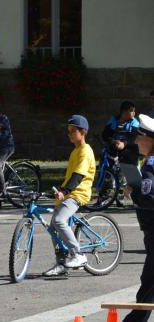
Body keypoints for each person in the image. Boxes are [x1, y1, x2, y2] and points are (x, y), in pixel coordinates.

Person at [43, 115, 96, 277]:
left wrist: (64, 192)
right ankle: (62, 263)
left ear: (83, 132)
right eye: (69, 131)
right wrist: (59, 190)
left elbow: (78, 177)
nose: (70, 134)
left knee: (59, 220)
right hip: (69, 194)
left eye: (73, 131)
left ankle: (78, 255)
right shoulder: (75, 151)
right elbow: (69, 178)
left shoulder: (85, 151)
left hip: (78, 194)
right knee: (53, 227)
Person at [121, 114, 154, 322]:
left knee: (150, 281)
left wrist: (135, 190)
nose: (136, 140)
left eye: (139, 136)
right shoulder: (149, 161)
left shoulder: (152, 164)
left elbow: (149, 195)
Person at [101, 101, 140, 165]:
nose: (134, 113)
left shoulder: (134, 123)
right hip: (113, 147)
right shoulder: (113, 120)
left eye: (134, 111)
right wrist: (112, 141)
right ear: (124, 112)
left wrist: (124, 144)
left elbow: (134, 137)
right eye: (131, 111)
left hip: (128, 149)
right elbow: (105, 134)